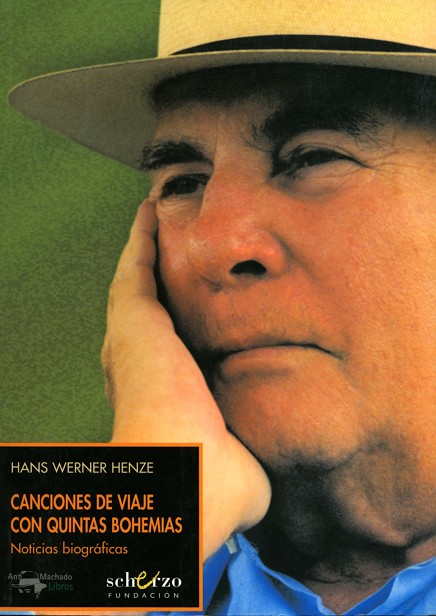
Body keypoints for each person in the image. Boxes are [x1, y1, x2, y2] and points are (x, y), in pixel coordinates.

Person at [9, 1, 436, 614]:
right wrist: (148, 493)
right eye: (184, 182)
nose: (213, 244)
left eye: (314, 157)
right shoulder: (49, 554)